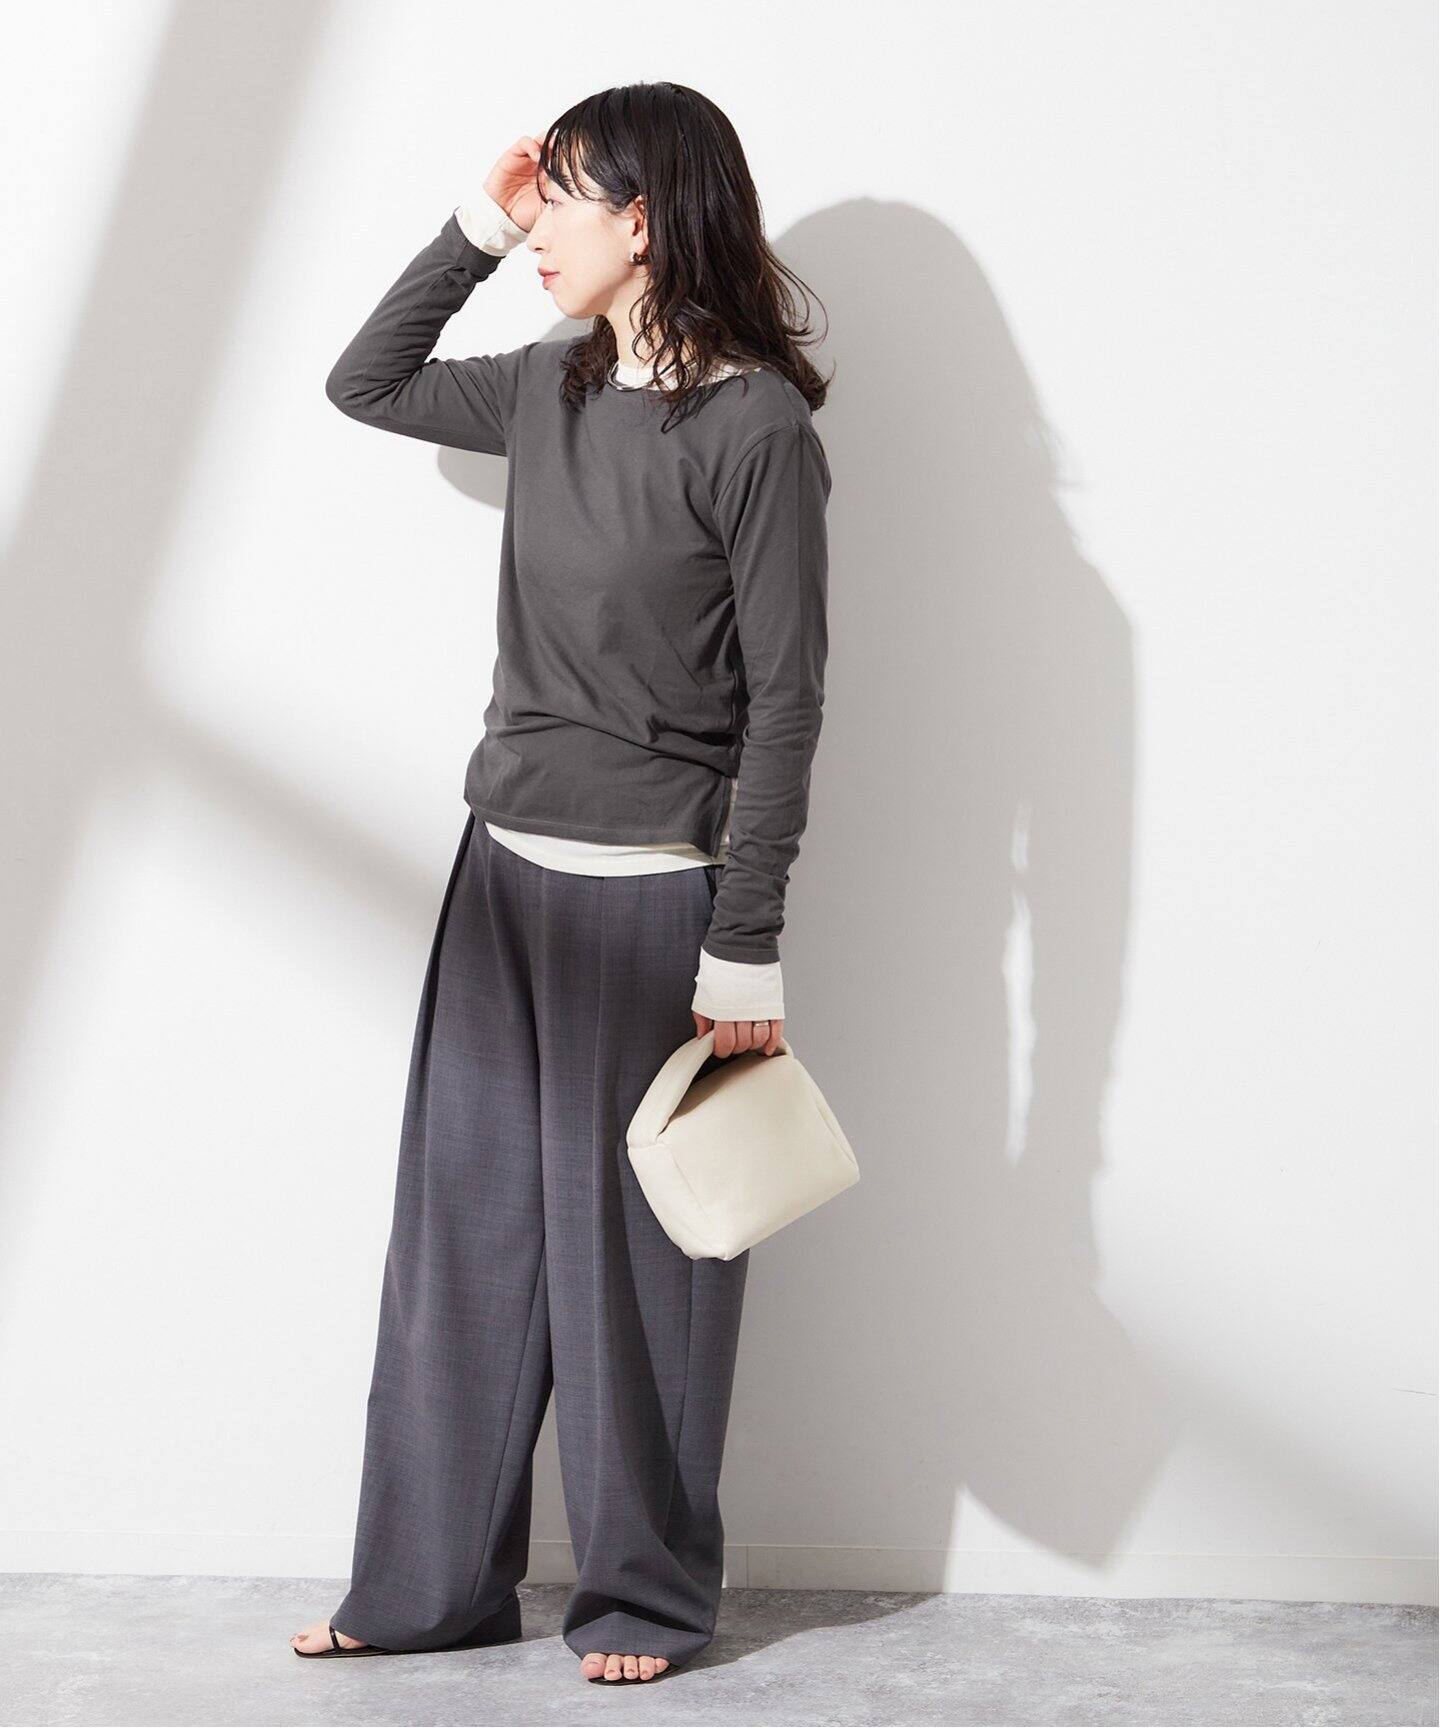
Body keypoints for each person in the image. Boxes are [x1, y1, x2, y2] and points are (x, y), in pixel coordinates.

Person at [290, 81, 832, 1685]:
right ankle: (425, 1587)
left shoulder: (757, 432)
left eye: (564, 198)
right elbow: (364, 382)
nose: (540, 226)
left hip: (656, 900)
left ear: (644, 222)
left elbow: (790, 704)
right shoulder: (548, 388)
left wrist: (747, 942)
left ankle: (645, 1599)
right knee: (461, 1255)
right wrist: (475, 221)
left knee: (638, 1281)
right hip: (502, 879)